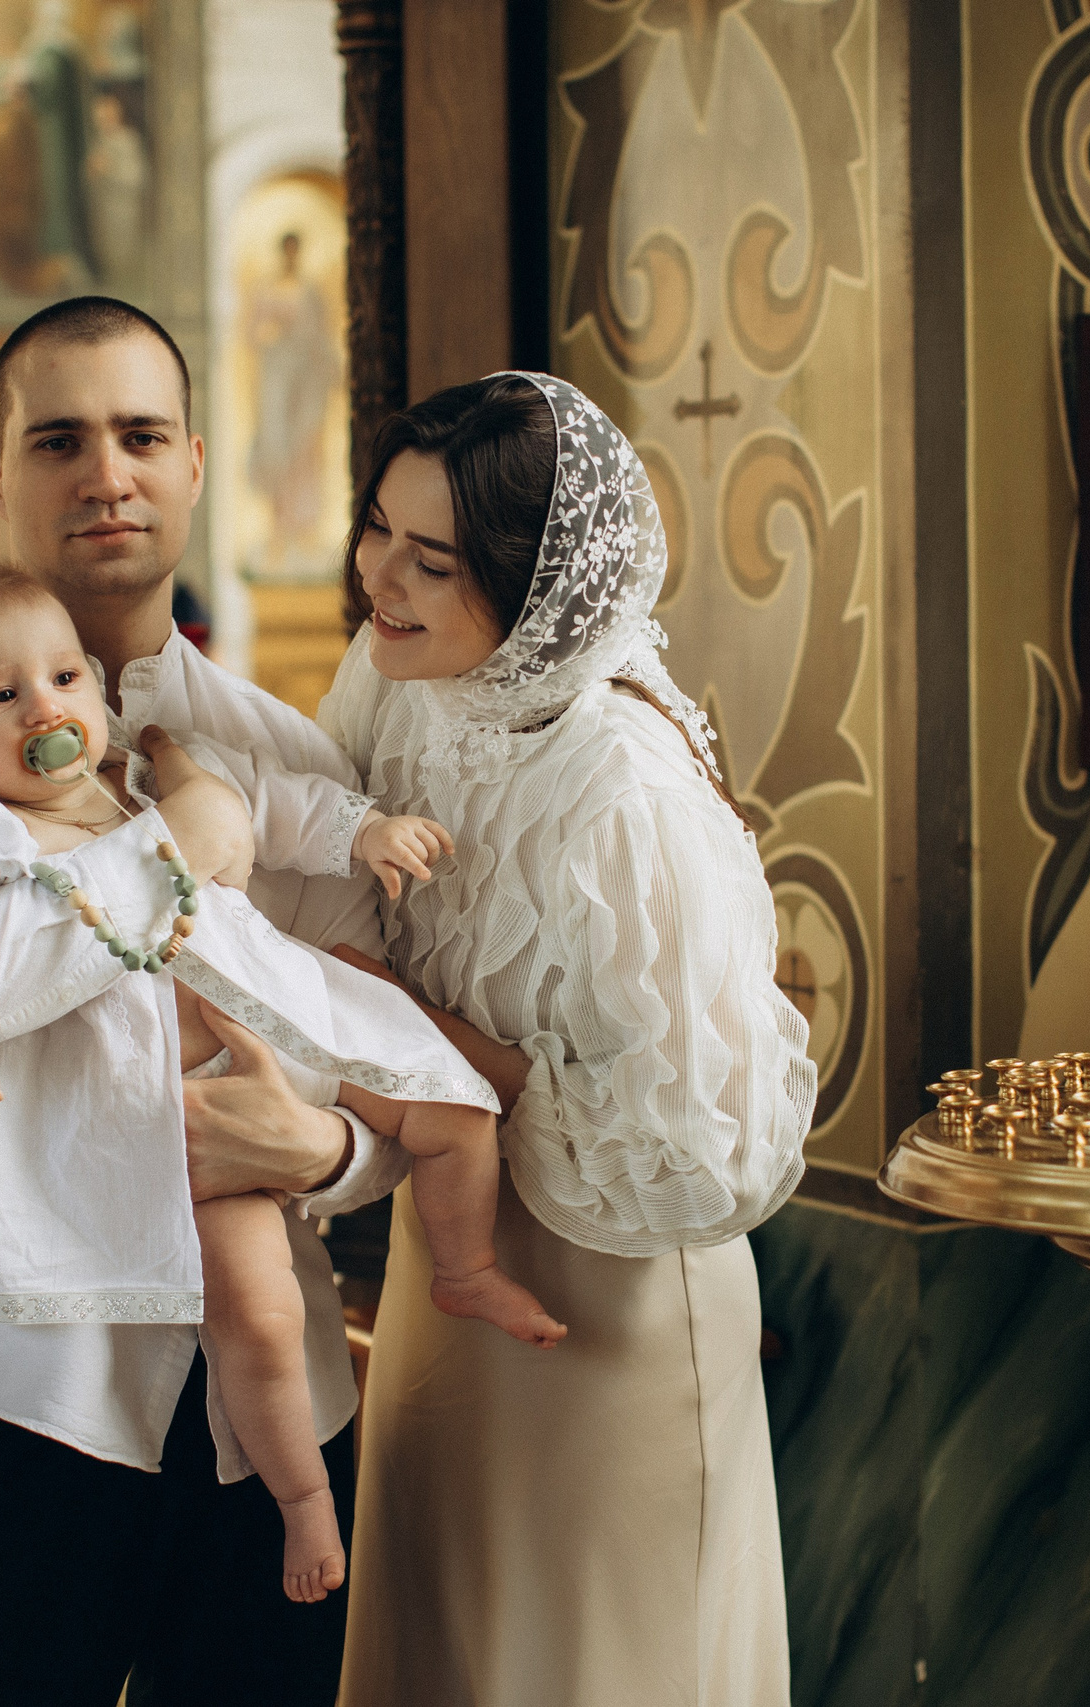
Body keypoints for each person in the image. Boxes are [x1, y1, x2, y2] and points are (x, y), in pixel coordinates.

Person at [0, 296, 396, 1705]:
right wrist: (185, 847)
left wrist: (329, 1151)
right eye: (58, 437)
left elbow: (366, 1041)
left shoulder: (272, 746)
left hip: (277, 1396)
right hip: (14, 1383)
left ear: (194, 460)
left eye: (138, 434)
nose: (105, 471)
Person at [0, 557, 558, 1597]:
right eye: (2, 696)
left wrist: (364, 832)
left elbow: (277, 807)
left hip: (286, 1027)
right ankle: (301, 1505)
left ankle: (462, 1264)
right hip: (172, 1129)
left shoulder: (150, 777)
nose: (43, 709)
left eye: (63, 680)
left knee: (451, 1108)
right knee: (261, 1314)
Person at [320, 374, 815, 1705]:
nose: (383, 579)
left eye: (435, 559)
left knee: (593, 1662)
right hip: (447, 1254)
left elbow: (696, 1157)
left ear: (538, 582)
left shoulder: (624, 796)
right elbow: (317, 880)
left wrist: (435, 1045)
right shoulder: (394, 671)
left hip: (608, 1299)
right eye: (378, 530)